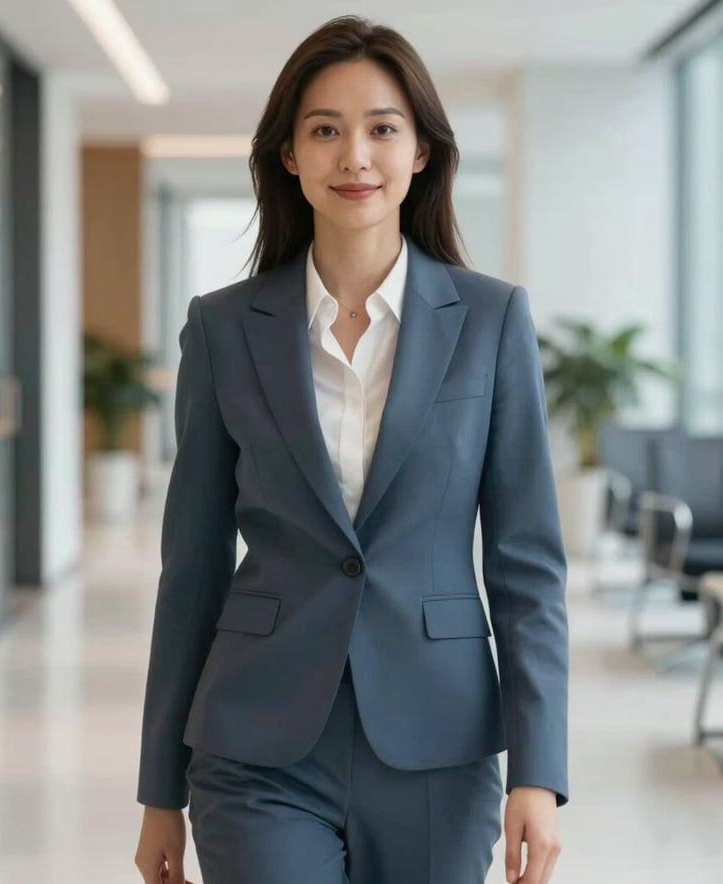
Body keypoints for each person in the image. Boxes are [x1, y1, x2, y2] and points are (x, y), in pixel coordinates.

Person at [134, 14, 568, 884]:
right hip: (256, 743)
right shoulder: (223, 328)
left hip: (438, 741)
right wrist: (159, 790)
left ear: (422, 152)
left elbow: (526, 564)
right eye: (326, 130)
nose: (355, 157)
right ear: (290, 155)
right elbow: (193, 567)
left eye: (382, 129)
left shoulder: (491, 322)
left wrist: (540, 770)